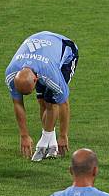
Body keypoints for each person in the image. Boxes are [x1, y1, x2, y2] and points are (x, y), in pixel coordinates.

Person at [5, 31, 79, 162]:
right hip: (41, 52)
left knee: (51, 101)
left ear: (36, 79)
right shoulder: (11, 74)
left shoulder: (49, 75)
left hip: (65, 51)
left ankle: (44, 144)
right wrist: (24, 135)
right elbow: (17, 103)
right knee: (42, 101)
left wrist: (63, 135)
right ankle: (52, 145)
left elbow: (64, 103)